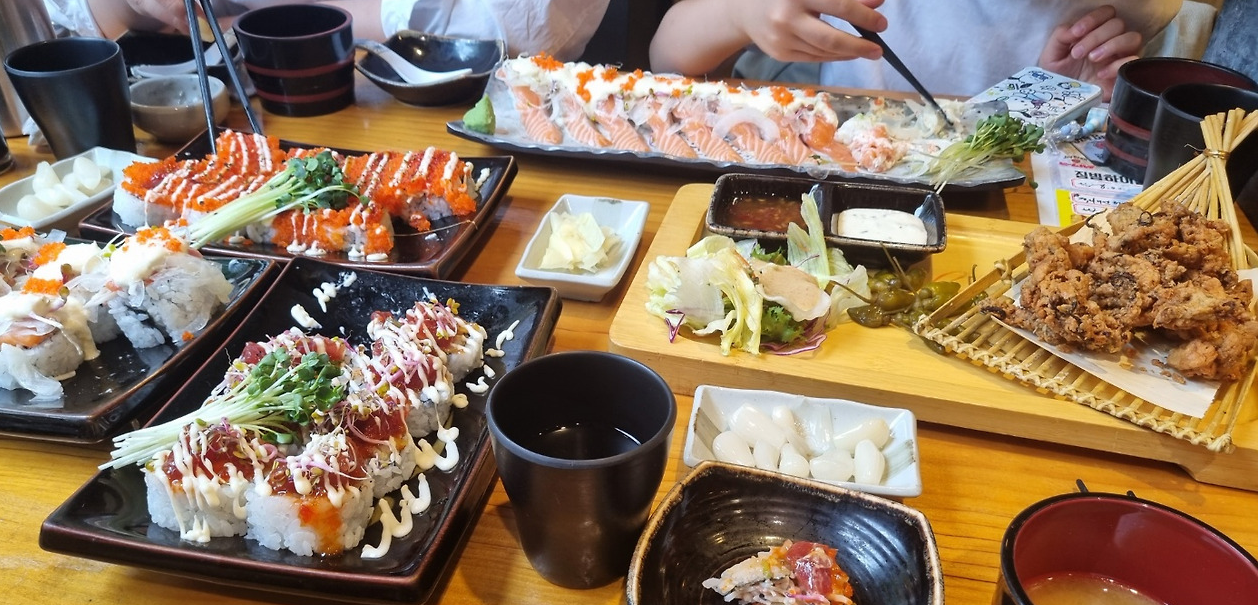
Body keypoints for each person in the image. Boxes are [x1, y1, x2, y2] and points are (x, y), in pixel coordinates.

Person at [649, 0, 1183, 100]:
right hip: (833, 168)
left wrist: (1061, 96)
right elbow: (667, 59)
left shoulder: (1128, 9)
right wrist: (739, 12)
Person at [45, 0, 608, 60]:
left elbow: (512, 26)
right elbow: (79, 15)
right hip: (232, 98)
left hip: (447, 113)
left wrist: (248, 20)